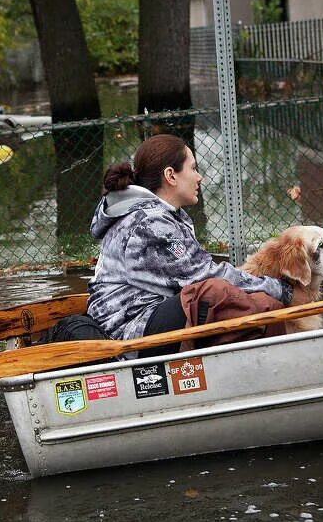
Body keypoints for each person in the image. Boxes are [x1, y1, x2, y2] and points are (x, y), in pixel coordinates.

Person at [87, 134, 295, 359]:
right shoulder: (147, 222)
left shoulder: (164, 216)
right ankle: (263, 362)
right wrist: (283, 291)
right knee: (212, 292)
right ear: (171, 176)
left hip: (150, 318)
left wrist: (270, 293)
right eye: (193, 168)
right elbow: (201, 276)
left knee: (265, 303)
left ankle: (268, 365)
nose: (199, 178)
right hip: (127, 335)